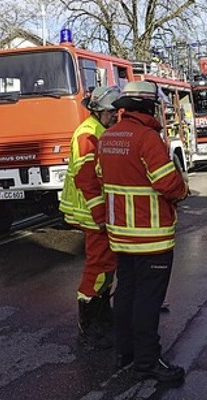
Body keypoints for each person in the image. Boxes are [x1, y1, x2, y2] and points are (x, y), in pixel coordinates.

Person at [94, 81, 189, 383]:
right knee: (148, 300)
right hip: (151, 236)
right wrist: (183, 190)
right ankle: (148, 362)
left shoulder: (107, 137)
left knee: (126, 294)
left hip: (120, 235)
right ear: (149, 107)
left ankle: (126, 354)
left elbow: (99, 175)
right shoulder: (147, 137)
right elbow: (167, 183)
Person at [59, 86, 121, 350]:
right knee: (98, 268)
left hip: (97, 211)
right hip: (91, 212)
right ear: (99, 111)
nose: (116, 117)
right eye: (111, 113)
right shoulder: (88, 134)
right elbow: (87, 177)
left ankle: (102, 317)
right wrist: (100, 213)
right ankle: (89, 327)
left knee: (106, 266)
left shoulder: (99, 130)